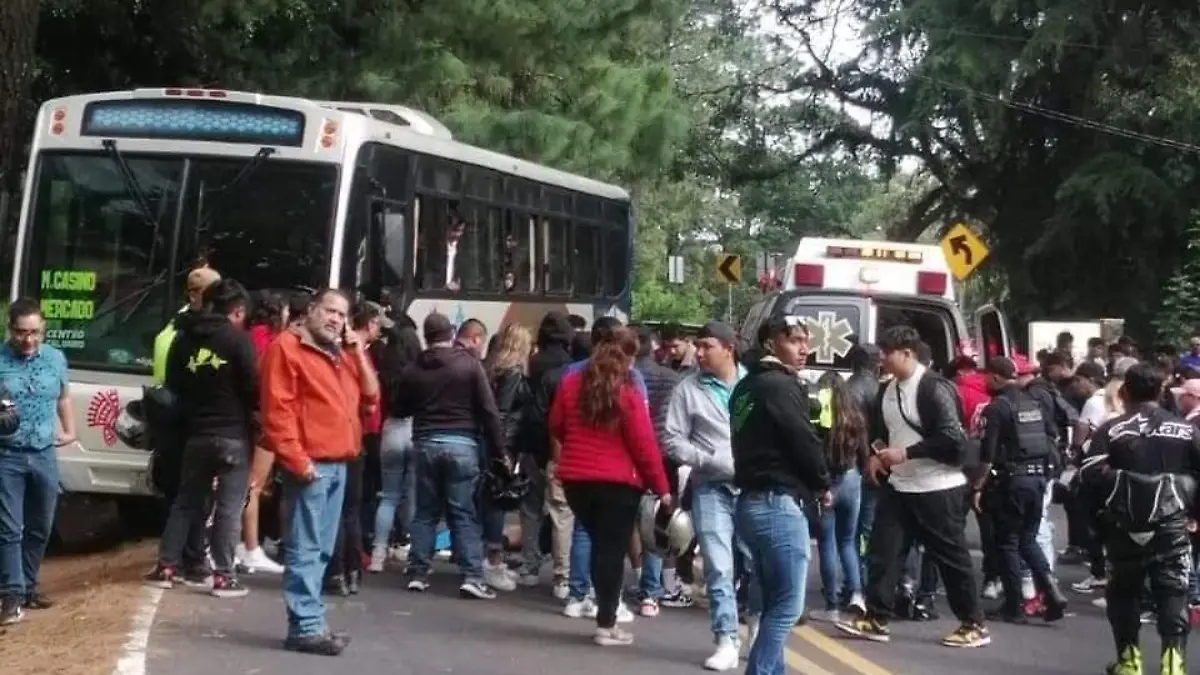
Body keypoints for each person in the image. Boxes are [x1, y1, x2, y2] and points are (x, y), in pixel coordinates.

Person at [836, 325, 989, 648]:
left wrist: (906, 453)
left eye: (887, 353)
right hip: (901, 485)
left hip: (938, 485)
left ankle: (973, 624)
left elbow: (951, 437)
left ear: (908, 353)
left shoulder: (934, 388)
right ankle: (876, 617)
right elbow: (880, 431)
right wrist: (878, 456)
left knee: (952, 557)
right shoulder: (887, 390)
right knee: (883, 551)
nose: (882, 360)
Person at [260, 289, 380, 656]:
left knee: (321, 549)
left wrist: (358, 351)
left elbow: (371, 396)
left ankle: (311, 622)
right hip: (312, 464)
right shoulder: (286, 348)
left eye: (342, 315)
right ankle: (306, 626)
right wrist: (300, 463)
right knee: (305, 547)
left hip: (338, 462)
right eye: (329, 311)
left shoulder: (341, 353)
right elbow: (277, 410)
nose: (335, 320)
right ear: (311, 311)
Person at [549, 326, 671, 647]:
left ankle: (591, 602)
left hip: (576, 480)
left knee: (597, 542)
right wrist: (663, 488)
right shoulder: (628, 389)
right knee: (611, 551)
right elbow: (644, 444)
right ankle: (607, 624)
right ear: (627, 356)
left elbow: (556, 425)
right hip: (618, 483)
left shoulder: (571, 382)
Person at [1083, 362, 1200, 675]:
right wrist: (1193, 514)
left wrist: (1101, 517)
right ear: (1162, 391)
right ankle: (1173, 664)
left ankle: (1129, 662)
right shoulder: (1188, 430)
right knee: (1174, 591)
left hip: (1124, 527)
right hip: (1173, 526)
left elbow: (1090, 473)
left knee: (1123, 592)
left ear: (1124, 391)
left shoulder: (1112, 429)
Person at [731, 315, 830, 675]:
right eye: (794, 340)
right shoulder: (781, 386)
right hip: (776, 504)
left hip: (750, 504)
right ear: (772, 343)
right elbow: (803, 440)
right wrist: (821, 482)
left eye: (806, 340)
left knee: (773, 602)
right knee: (788, 606)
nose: (804, 348)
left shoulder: (745, 388)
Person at [145, 280, 258, 598]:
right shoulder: (239, 341)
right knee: (229, 507)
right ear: (237, 311)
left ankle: (166, 567)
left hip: (194, 435)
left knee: (185, 502)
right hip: (233, 434)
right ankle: (223, 576)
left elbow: (174, 386)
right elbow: (253, 387)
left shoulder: (182, 338)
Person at [663, 320, 756, 670]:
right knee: (719, 565)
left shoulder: (755, 385)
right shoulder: (687, 389)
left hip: (753, 488)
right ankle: (726, 638)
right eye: (697, 346)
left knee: (754, 564)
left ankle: (757, 625)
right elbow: (672, 438)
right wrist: (707, 460)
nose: (698, 353)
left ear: (728, 348)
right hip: (710, 487)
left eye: (706, 346)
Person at [400, 313, 507, 599]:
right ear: (451, 333)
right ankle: (472, 575)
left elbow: (399, 407)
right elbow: (488, 411)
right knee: (463, 512)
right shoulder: (469, 366)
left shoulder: (413, 369)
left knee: (425, 512)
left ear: (426, 335)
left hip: (424, 442)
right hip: (462, 444)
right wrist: (500, 452)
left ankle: (418, 571)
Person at [974, 356, 1068, 623]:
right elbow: (1050, 437)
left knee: (1008, 543)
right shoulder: (1033, 403)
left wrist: (978, 486)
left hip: (1012, 482)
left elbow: (987, 455)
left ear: (994, 377)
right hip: (1038, 479)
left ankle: (1013, 606)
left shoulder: (998, 407)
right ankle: (1052, 592)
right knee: (1028, 540)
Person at [0, 299, 75, 626]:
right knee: (8, 528)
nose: (28, 340)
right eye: (21, 333)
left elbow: (63, 396)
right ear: (9, 329)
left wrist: (70, 429)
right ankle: (11, 594)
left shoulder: (55, 358)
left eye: (34, 333)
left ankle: (29, 586)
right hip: (7, 455)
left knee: (41, 525)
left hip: (44, 452)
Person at [324, 301, 391, 596]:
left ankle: (339, 571)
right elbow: (370, 396)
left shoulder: (342, 356)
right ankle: (349, 571)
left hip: (349, 439)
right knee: (347, 510)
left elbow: (369, 396)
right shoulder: (356, 357)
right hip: (353, 437)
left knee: (339, 511)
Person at [518, 312, 576, 594]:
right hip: (565, 449)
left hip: (535, 448)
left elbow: (533, 413)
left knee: (530, 509)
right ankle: (561, 575)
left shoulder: (532, 364)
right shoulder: (571, 369)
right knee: (561, 514)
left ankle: (529, 566)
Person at [810, 377, 870, 624]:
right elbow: (864, 452)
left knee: (827, 544)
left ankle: (832, 603)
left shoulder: (819, 418)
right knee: (848, 541)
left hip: (828, 485)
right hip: (853, 479)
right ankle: (856, 594)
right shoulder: (855, 417)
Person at [238, 290, 289, 575]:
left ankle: (238, 544)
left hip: (244, 417)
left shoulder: (245, 337)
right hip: (264, 418)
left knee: (244, 485)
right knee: (254, 486)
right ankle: (251, 548)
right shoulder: (273, 342)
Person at [368, 313, 423, 572]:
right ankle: (410, 554)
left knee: (388, 496)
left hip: (390, 429)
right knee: (411, 496)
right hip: (414, 429)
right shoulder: (419, 371)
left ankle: (378, 553)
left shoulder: (384, 369)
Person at [483, 323, 535, 591]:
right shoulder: (514, 373)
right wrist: (502, 450)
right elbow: (503, 413)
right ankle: (493, 562)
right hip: (505, 444)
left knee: (490, 501)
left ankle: (491, 559)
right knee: (498, 502)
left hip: (491, 441)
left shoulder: (492, 369)